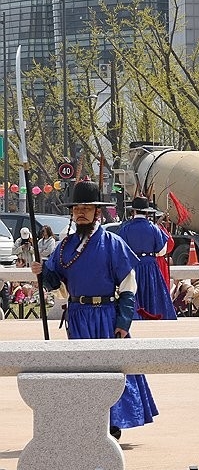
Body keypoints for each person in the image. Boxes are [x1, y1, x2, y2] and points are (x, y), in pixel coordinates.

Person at [31, 181, 157, 440]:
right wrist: (41, 272)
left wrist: (124, 320)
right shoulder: (65, 247)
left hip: (106, 315)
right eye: (77, 208)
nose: (81, 213)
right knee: (81, 370)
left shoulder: (112, 243)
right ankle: (86, 420)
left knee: (111, 369)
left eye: (87, 208)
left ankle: (113, 422)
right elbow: (55, 281)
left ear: (97, 212)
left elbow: (128, 285)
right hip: (78, 315)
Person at [117, 197, 177, 320]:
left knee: (132, 293)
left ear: (133, 211)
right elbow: (162, 251)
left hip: (132, 266)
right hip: (150, 266)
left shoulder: (125, 228)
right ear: (147, 212)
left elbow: (120, 251)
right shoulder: (154, 228)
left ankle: (135, 317)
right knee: (153, 294)